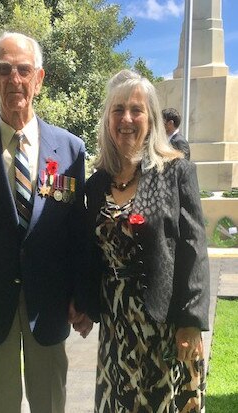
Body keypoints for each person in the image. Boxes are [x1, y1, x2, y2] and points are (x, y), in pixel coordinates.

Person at [0, 31, 91, 413]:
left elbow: (78, 232)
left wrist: (82, 293)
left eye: (24, 70)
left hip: (51, 303)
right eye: (4, 69)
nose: (15, 79)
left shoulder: (71, 149)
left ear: (39, 79)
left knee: (51, 404)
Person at [85, 70, 210, 412]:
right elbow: (90, 252)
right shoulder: (96, 184)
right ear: (108, 120)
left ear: (151, 118)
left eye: (136, 110)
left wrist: (191, 321)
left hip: (166, 325)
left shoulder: (176, 172)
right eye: (118, 109)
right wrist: (81, 302)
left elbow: (194, 250)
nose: (126, 118)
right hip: (116, 327)